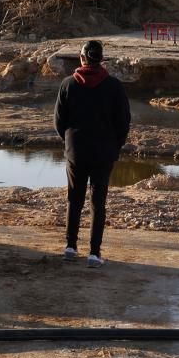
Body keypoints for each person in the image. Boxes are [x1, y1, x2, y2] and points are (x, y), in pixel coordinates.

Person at [54, 39, 130, 268]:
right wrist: (115, 146)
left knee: (74, 198)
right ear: (101, 60)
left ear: (82, 58)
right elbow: (123, 122)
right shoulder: (114, 86)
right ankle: (94, 253)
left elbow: (59, 121)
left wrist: (69, 142)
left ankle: (70, 246)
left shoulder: (68, 84)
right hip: (104, 151)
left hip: (76, 150)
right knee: (98, 202)